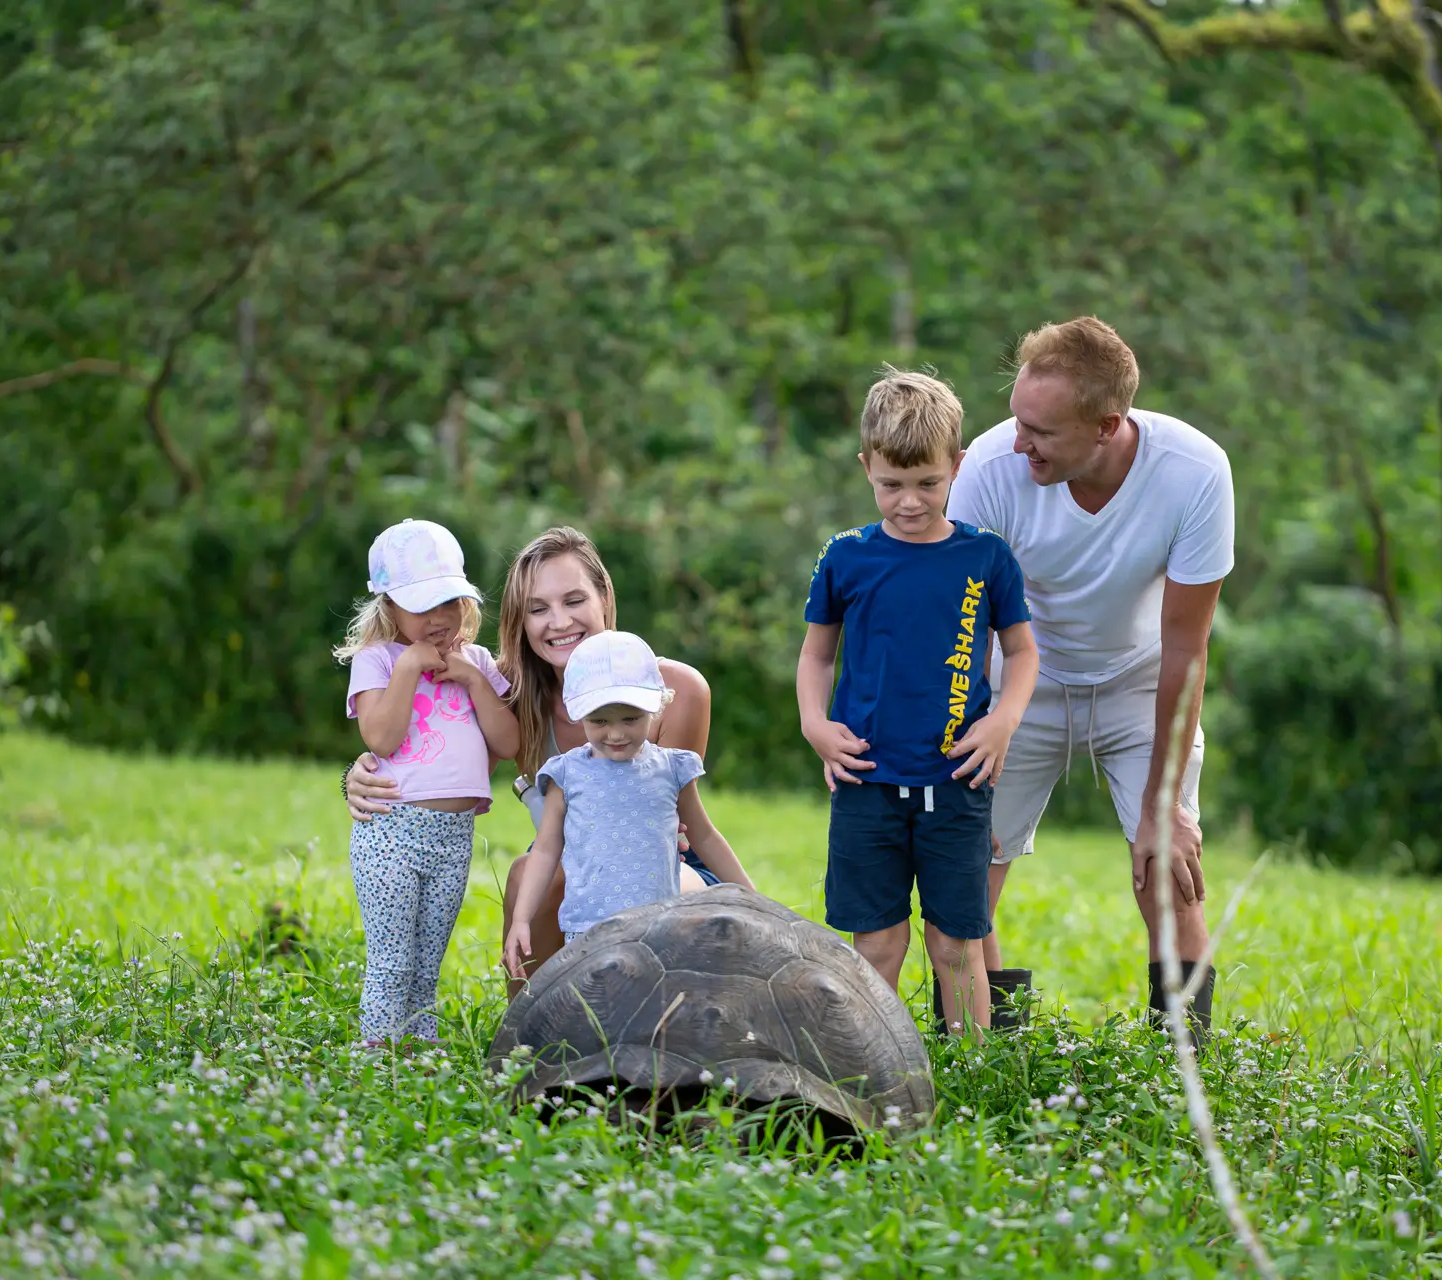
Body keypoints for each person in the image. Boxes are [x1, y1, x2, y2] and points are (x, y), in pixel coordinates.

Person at [943, 316, 1235, 1042]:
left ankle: (1183, 1066)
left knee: (1169, 868)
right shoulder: (987, 468)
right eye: (1016, 419)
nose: (1018, 442)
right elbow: (960, 627)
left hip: (1139, 682)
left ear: (1107, 425)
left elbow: (1184, 648)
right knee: (965, 879)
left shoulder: (1195, 474)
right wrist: (987, 720)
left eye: (1040, 431)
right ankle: (990, 1051)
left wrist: (1163, 805)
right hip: (1017, 679)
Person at [343, 525, 756, 994]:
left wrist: (748, 897)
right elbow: (426, 737)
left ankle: (660, 1034)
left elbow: (681, 825)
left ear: (604, 597)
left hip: (665, 865)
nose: (559, 622)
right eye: (538, 609)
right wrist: (359, 772)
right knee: (527, 873)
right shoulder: (510, 694)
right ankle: (532, 1038)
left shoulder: (673, 690)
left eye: (574, 600)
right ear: (521, 622)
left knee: (667, 895)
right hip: (570, 868)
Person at [797, 366, 1039, 1035]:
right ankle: (871, 1069)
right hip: (867, 779)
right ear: (865, 467)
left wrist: (1003, 721)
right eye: (891, 485)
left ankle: (971, 1074)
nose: (909, 501)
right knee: (876, 945)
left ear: (957, 466)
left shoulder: (986, 558)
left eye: (928, 483)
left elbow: (1022, 653)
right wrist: (816, 725)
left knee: (955, 946)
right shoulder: (845, 558)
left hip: (956, 780)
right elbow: (817, 655)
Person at [335, 518, 522, 1045]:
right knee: (392, 962)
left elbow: (508, 744)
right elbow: (381, 738)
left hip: (453, 838)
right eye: (422, 607)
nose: (439, 619)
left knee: (425, 967)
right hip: (392, 833)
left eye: (450, 603)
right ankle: (375, 1060)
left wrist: (471, 678)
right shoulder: (379, 661)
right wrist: (409, 669)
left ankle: (419, 1058)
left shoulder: (478, 661)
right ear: (388, 606)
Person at [503, 631, 754, 971]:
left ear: (658, 705)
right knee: (591, 1016)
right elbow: (546, 849)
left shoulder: (671, 768)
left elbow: (704, 836)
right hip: (587, 930)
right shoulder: (567, 773)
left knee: (652, 1014)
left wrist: (752, 898)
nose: (616, 733)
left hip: (659, 928)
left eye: (631, 718)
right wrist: (521, 919)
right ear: (578, 714)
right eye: (600, 721)